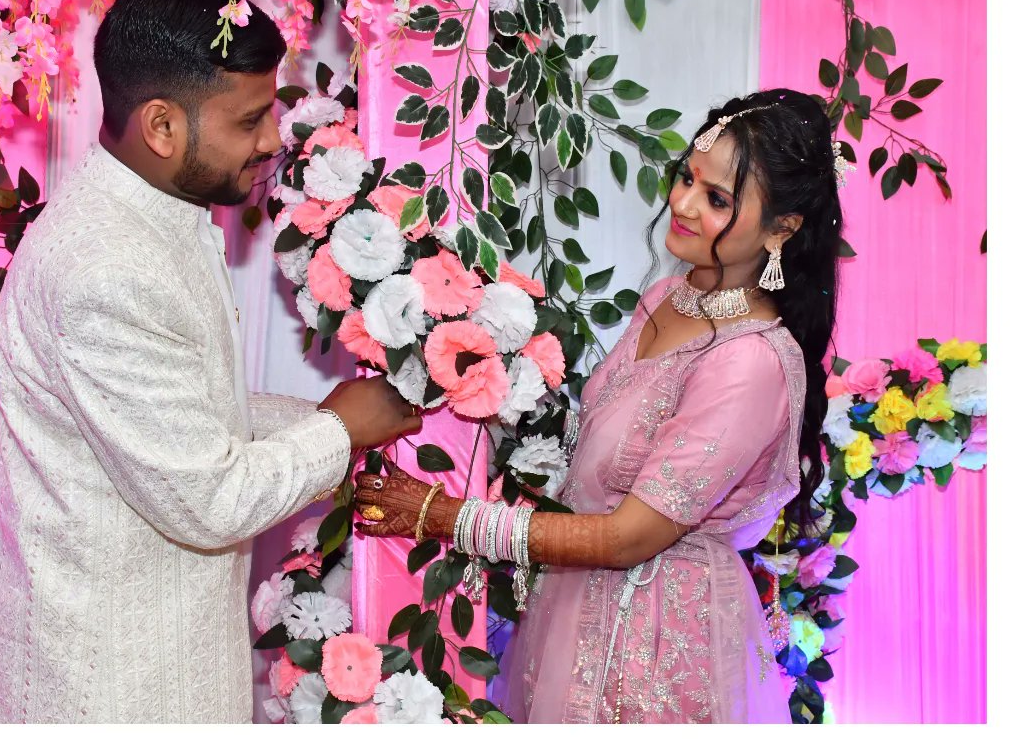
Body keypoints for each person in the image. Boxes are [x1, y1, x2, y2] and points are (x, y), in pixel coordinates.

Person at [0, 0, 421, 724]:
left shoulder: (157, 216)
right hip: (111, 685)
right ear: (161, 127)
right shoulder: (107, 270)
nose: (271, 139)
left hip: (161, 658)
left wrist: (328, 417)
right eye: (248, 120)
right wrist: (342, 429)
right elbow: (210, 500)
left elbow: (182, 409)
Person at [352, 88, 844, 723]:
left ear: (783, 228)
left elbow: (625, 538)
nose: (683, 204)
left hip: (660, 643)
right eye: (687, 177)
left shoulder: (749, 363)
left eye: (717, 198)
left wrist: (444, 516)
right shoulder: (672, 294)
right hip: (578, 605)